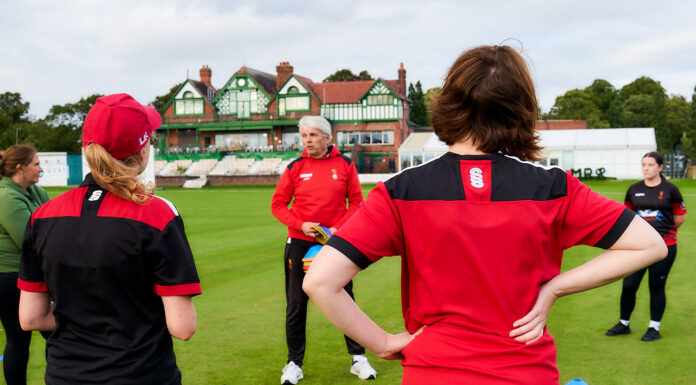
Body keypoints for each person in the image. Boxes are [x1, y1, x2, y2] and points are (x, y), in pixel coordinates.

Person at [302, 45, 667, 385]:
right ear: (518, 109)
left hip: (433, 371)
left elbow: (320, 281)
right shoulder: (553, 186)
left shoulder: (402, 191)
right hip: (526, 370)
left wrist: (381, 342)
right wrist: (554, 289)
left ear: (449, 104)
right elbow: (649, 245)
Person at [17, 93, 201, 385]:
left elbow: (31, 318)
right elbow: (182, 326)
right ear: (142, 152)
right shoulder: (156, 214)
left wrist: (83, 323)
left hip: (65, 376)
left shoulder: (42, 216)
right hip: (141, 375)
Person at [271, 115, 376, 384]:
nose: (308, 141)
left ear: (327, 138)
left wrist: (337, 229)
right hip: (299, 242)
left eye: (313, 135)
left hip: (334, 243)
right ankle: (294, 363)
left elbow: (356, 203)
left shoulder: (345, 165)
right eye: (304, 136)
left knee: (344, 299)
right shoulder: (295, 167)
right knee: (296, 304)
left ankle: (358, 358)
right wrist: (300, 224)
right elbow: (278, 205)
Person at [605, 152, 686, 341]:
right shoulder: (633, 189)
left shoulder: (670, 190)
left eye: (650, 164)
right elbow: (627, 215)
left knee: (656, 286)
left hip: (664, 247)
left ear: (660, 167)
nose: (646, 168)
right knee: (629, 285)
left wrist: (664, 235)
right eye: (643, 164)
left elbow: (680, 216)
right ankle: (624, 323)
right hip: (637, 248)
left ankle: (653, 328)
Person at [0, 145, 49, 385]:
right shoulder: (6, 196)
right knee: (19, 338)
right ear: (20, 168)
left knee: (56, 332)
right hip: (8, 278)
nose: (41, 168)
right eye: (36, 164)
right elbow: (29, 241)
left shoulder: (34, 191)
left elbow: (53, 224)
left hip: (30, 274)